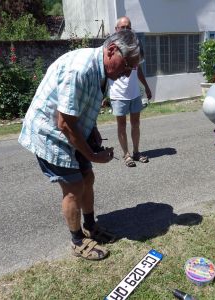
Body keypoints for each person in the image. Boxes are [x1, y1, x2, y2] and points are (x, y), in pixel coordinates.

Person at [18, 30, 142, 260]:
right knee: (74, 186)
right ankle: (77, 241)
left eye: (131, 70)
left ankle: (91, 226)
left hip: (70, 129)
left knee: (88, 177)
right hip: (50, 132)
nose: (126, 74)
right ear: (112, 50)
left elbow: (85, 106)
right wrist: (93, 156)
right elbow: (64, 123)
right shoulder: (81, 69)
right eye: (126, 66)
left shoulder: (104, 70)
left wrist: (92, 132)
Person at [109, 16, 152, 167]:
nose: (126, 30)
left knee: (136, 123)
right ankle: (126, 154)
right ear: (116, 29)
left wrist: (146, 87)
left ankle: (136, 152)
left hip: (134, 93)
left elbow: (138, 68)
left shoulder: (134, 45)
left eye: (128, 27)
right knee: (121, 125)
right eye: (123, 27)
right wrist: (102, 94)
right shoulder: (111, 46)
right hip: (118, 94)